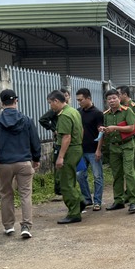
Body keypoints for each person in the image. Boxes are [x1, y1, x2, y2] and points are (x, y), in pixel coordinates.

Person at [0, 89, 41, 238]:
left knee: (6, 194)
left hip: (4, 164)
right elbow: (34, 140)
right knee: (25, 194)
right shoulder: (26, 119)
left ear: (1, 103)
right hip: (24, 162)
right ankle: (26, 227)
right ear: (16, 101)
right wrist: (36, 159)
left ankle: (9, 226)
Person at [97, 89, 135, 214]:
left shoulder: (128, 111)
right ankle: (118, 200)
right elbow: (103, 133)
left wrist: (115, 127)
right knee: (117, 174)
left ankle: (133, 202)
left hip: (127, 145)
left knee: (129, 173)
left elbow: (131, 127)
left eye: (114, 98)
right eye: (109, 99)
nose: (112, 101)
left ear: (119, 98)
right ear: (106, 101)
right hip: (113, 147)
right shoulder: (105, 115)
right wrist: (103, 130)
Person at [47, 90, 83, 224]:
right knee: (71, 178)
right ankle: (80, 201)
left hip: (69, 150)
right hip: (77, 148)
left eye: (50, 103)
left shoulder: (64, 115)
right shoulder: (74, 111)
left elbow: (66, 137)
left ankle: (74, 213)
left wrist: (60, 157)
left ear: (56, 101)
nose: (50, 106)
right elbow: (81, 131)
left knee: (66, 182)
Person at [75, 88, 104, 212]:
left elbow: (101, 133)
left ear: (88, 98)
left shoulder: (97, 113)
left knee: (97, 176)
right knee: (80, 175)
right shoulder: (78, 112)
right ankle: (87, 198)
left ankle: (97, 201)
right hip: (81, 150)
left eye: (81, 100)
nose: (79, 102)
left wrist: (98, 150)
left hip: (93, 150)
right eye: (78, 100)